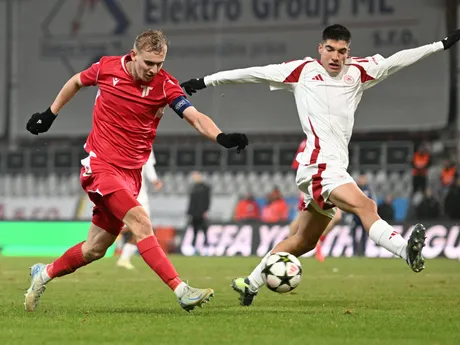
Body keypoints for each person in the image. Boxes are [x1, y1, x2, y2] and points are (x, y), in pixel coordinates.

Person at [181, 24, 460, 306]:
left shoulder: (359, 72)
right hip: (319, 166)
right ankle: (405, 251)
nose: (335, 57)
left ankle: (250, 283)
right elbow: (253, 73)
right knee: (366, 206)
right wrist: (205, 81)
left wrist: (441, 45)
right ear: (320, 48)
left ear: (348, 52)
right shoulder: (302, 72)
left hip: (330, 167)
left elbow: (398, 60)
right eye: (330, 49)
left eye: (342, 51)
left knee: (304, 240)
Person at [24, 29, 248, 312]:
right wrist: (50, 113)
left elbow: (194, 117)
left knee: (95, 248)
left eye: (160, 64)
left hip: (131, 175)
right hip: (101, 166)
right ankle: (182, 290)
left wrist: (221, 137)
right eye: (148, 63)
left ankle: (42, 274)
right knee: (141, 222)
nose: (154, 70)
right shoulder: (108, 68)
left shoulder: (166, 85)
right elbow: (76, 81)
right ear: (133, 56)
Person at [289, 139, 341, 263]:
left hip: (327, 182)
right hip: (310, 183)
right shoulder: (307, 142)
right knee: (301, 221)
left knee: (337, 216)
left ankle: (317, 243)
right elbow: (296, 166)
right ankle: (284, 251)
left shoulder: (329, 139)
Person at [116, 150, 163, 269]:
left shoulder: (145, 140)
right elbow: (148, 164)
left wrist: (154, 180)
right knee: (142, 226)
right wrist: (154, 180)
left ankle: (124, 258)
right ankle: (114, 233)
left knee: (142, 228)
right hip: (133, 192)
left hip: (132, 190)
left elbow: (148, 164)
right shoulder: (136, 140)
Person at [186, 171, 211, 255]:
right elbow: (191, 202)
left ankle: (206, 248)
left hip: (201, 212)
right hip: (194, 213)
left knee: (204, 230)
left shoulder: (205, 188)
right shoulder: (193, 187)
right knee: (194, 231)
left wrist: (205, 210)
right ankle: (193, 249)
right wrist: (189, 212)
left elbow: (207, 200)